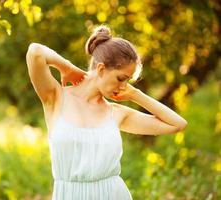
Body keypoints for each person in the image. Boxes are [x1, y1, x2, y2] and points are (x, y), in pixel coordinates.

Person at [26, 24, 188, 200]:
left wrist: (136, 95)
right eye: (121, 78)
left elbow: (178, 124)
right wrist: (67, 68)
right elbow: (35, 51)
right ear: (101, 69)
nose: (124, 87)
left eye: (128, 81)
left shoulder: (116, 113)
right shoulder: (56, 97)